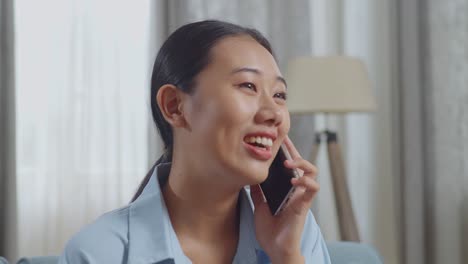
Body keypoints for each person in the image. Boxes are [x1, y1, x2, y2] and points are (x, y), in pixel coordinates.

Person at [59, 20, 331, 264]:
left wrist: (286, 256)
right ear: (175, 106)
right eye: (248, 86)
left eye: (280, 95)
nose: (274, 114)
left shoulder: (295, 234)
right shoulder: (98, 253)